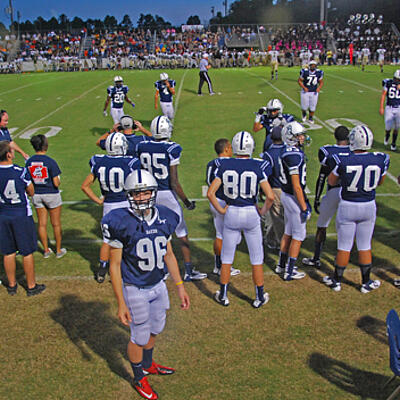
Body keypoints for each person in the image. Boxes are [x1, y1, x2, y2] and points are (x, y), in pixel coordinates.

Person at [102, 169, 190, 400]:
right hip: (135, 288)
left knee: (156, 328)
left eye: (146, 192)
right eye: (136, 194)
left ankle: (148, 364)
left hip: (158, 284)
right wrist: (120, 302)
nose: (141, 198)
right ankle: (139, 377)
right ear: (129, 194)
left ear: (154, 192)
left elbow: (169, 254)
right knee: (139, 336)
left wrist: (180, 285)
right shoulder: (119, 220)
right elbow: (115, 264)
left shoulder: (165, 216)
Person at [207, 131, 274, 308]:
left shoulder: (224, 165)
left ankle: (223, 294)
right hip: (251, 212)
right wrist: (262, 211)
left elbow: (210, 193)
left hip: (232, 212)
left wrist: (221, 209)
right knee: (256, 257)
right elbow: (270, 196)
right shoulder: (257, 166)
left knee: (227, 258)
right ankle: (259, 296)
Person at [136, 115, 207, 282]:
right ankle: (188, 271)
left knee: (153, 231)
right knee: (181, 233)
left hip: (149, 194)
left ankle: (161, 268)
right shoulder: (172, 148)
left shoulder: (142, 146)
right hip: (167, 194)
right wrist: (187, 202)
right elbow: (174, 182)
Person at [323, 125, 389, 293]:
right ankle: (366, 282)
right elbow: (380, 182)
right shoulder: (380, 158)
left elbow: (331, 181)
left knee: (344, 245)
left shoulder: (343, 159)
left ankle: (336, 281)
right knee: (364, 244)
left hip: (348, 205)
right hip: (368, 205)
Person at [82, 132, 140, 283]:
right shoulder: (130, 162)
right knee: (130, 239)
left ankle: (102, 269)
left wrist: (98, 201)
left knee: (108, 240)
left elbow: (85, 186)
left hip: (108, 206)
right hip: (125, 205)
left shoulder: (98, 161)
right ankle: (129, 269)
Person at [0, 141, 46, 296]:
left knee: (8, 252)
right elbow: (31, 191)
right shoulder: (20, 171)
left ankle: (12, 285)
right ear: (8, 154)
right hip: (20, 214)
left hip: (3, 214)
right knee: (27, 252)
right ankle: (31, 286)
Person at [302, 126, 351, 269]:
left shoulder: (327, 151)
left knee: (322, 226)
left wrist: (317, 198)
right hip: (349, 194)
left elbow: (322, 176)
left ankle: (316, 257)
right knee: (344, 227)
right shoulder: (354, 151)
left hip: (333, 192)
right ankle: (342, 258)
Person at [275, 121, 310, 281]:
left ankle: (281, 265)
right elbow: (296, 185)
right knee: (298, 234)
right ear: (290, 137)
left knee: (288, 232)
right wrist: (304, 207)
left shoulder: (286, 151)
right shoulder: (294, 155)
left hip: (286, 195)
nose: (302, 137)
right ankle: (290, 270)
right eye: (299, 135)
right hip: (293, 197)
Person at [25, 134, 66, 258]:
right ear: (45, 146)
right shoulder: (50, 161)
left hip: (37, 194)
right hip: (51, 194)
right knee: (56, 223)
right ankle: (58, 250)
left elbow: (28, 180)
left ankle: (46, 250)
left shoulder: (29, 162)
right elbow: (56, 182)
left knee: (42, 223)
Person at [205, 138, 240, 276]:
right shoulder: (232, 164)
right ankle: (225, 266)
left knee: (219, 233)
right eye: (230, 147)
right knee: (230, 235)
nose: (232, 150)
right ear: (226, 149)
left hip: (214, 200)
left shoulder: (211, 164)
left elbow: (209, 182)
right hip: (226, 202)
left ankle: (218, 265)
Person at [260, 126, 286, 249]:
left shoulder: (268, 154)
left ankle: (281, 244)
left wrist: (262, 190)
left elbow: (265, 174)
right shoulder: (290, 150)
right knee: (285, 217)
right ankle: (272, 239)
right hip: (290, 189)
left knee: (277, 218)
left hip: (275, 188)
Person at [379, 69, 400, 151]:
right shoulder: (388, 83)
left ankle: (393, 143)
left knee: (397, 128)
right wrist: (381, 107)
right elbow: (383, 95)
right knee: (388, 127)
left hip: (398, 107)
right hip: (389, 107)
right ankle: (387, 135)